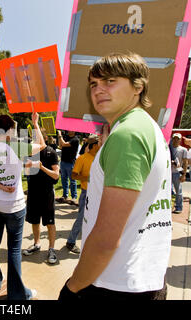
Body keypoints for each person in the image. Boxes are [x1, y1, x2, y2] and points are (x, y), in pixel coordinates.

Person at [59, 52, 171, 301]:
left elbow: (107, 238)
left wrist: (73, 286)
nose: (98, 90)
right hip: (142, 275)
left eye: (110, 81)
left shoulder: (127, 135)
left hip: (116, 284)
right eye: (93, 84)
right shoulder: (144, 126)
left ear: (138, 86)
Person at [0, 112, 45, 300]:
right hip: (14, 205)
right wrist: (36, 125)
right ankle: (17, 293)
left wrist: (0, 186)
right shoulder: (16, 146)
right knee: (14, 249)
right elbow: (41, 145)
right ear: (9, 129)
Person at [22, 131, 60, 265]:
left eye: (36, 137)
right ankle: (36, 244)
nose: (33, 139)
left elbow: (56, 175)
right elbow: (27, 173)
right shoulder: (30, 153)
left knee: (50, 222)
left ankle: (51, 249)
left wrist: (42, 167)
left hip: (47, 193)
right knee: (34, 220)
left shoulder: (51, 152)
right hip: (33, 192)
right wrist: (28, 167)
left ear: (43, 138)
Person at [65, 134, 100, 254]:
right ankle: (70, 242)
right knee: (81, 218)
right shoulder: (82, 158)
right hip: (86, 194)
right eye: (99, 142)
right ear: (94, 145)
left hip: (99, 193)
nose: (101, 144)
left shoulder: (101, 158)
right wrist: (88, 178)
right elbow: (74, 175)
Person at [57, 130, 79, 205]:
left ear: (74, 131)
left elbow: (64, 144)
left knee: (72, 181)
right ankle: (64, 196)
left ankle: (74, 198)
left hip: (70, 163)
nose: (68, 131)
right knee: (64, 180)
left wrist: (60, 135)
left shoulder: (75, 139)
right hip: (63, 162)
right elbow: (60, 146)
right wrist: (60, 137)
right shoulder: (65, 137)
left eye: (70, 130)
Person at [170, 133, 188, 214]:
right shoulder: (168, 148)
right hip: (168, 173)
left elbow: (185, 162)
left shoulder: (183, 149)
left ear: (180, 140)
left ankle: (179, 207)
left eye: (178, 139)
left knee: (178, 191)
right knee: (168, 190)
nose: (176, 140)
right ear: (172, 139)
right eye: (174, 138)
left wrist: (184, 175)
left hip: (177, 172)